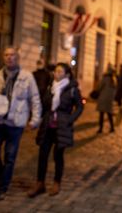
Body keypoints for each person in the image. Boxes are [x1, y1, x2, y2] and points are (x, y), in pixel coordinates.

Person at [0, 46, 42, 201]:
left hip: (16, 123)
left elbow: (35, 99)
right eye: (6, 55)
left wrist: (35, 119)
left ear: (18, 58)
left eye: (12, 55)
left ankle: (2, 188)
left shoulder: (27, 76)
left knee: (10, 157)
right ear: (3, 57)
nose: (9, 57)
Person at [28, 63, 83, 197]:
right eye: (55, 72)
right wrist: (36, 119)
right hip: (48, 125)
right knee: (43, 154)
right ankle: (40, 183)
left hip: (62, 127)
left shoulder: (72, 89)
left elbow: (80, 107)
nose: (56, 74)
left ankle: (56, 182)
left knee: (58, 156)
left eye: (59, 72)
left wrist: (70, 119)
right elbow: (43, 104)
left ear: (67, 74)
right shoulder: (50, 87)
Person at [96, 64, 116, 134]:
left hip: (103, 98)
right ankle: (112, 128)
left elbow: (100, 87)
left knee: (101, 114)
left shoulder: (105, 78)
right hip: (110, 99)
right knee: (109, 114)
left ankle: (100, 129)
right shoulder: (114, 80)